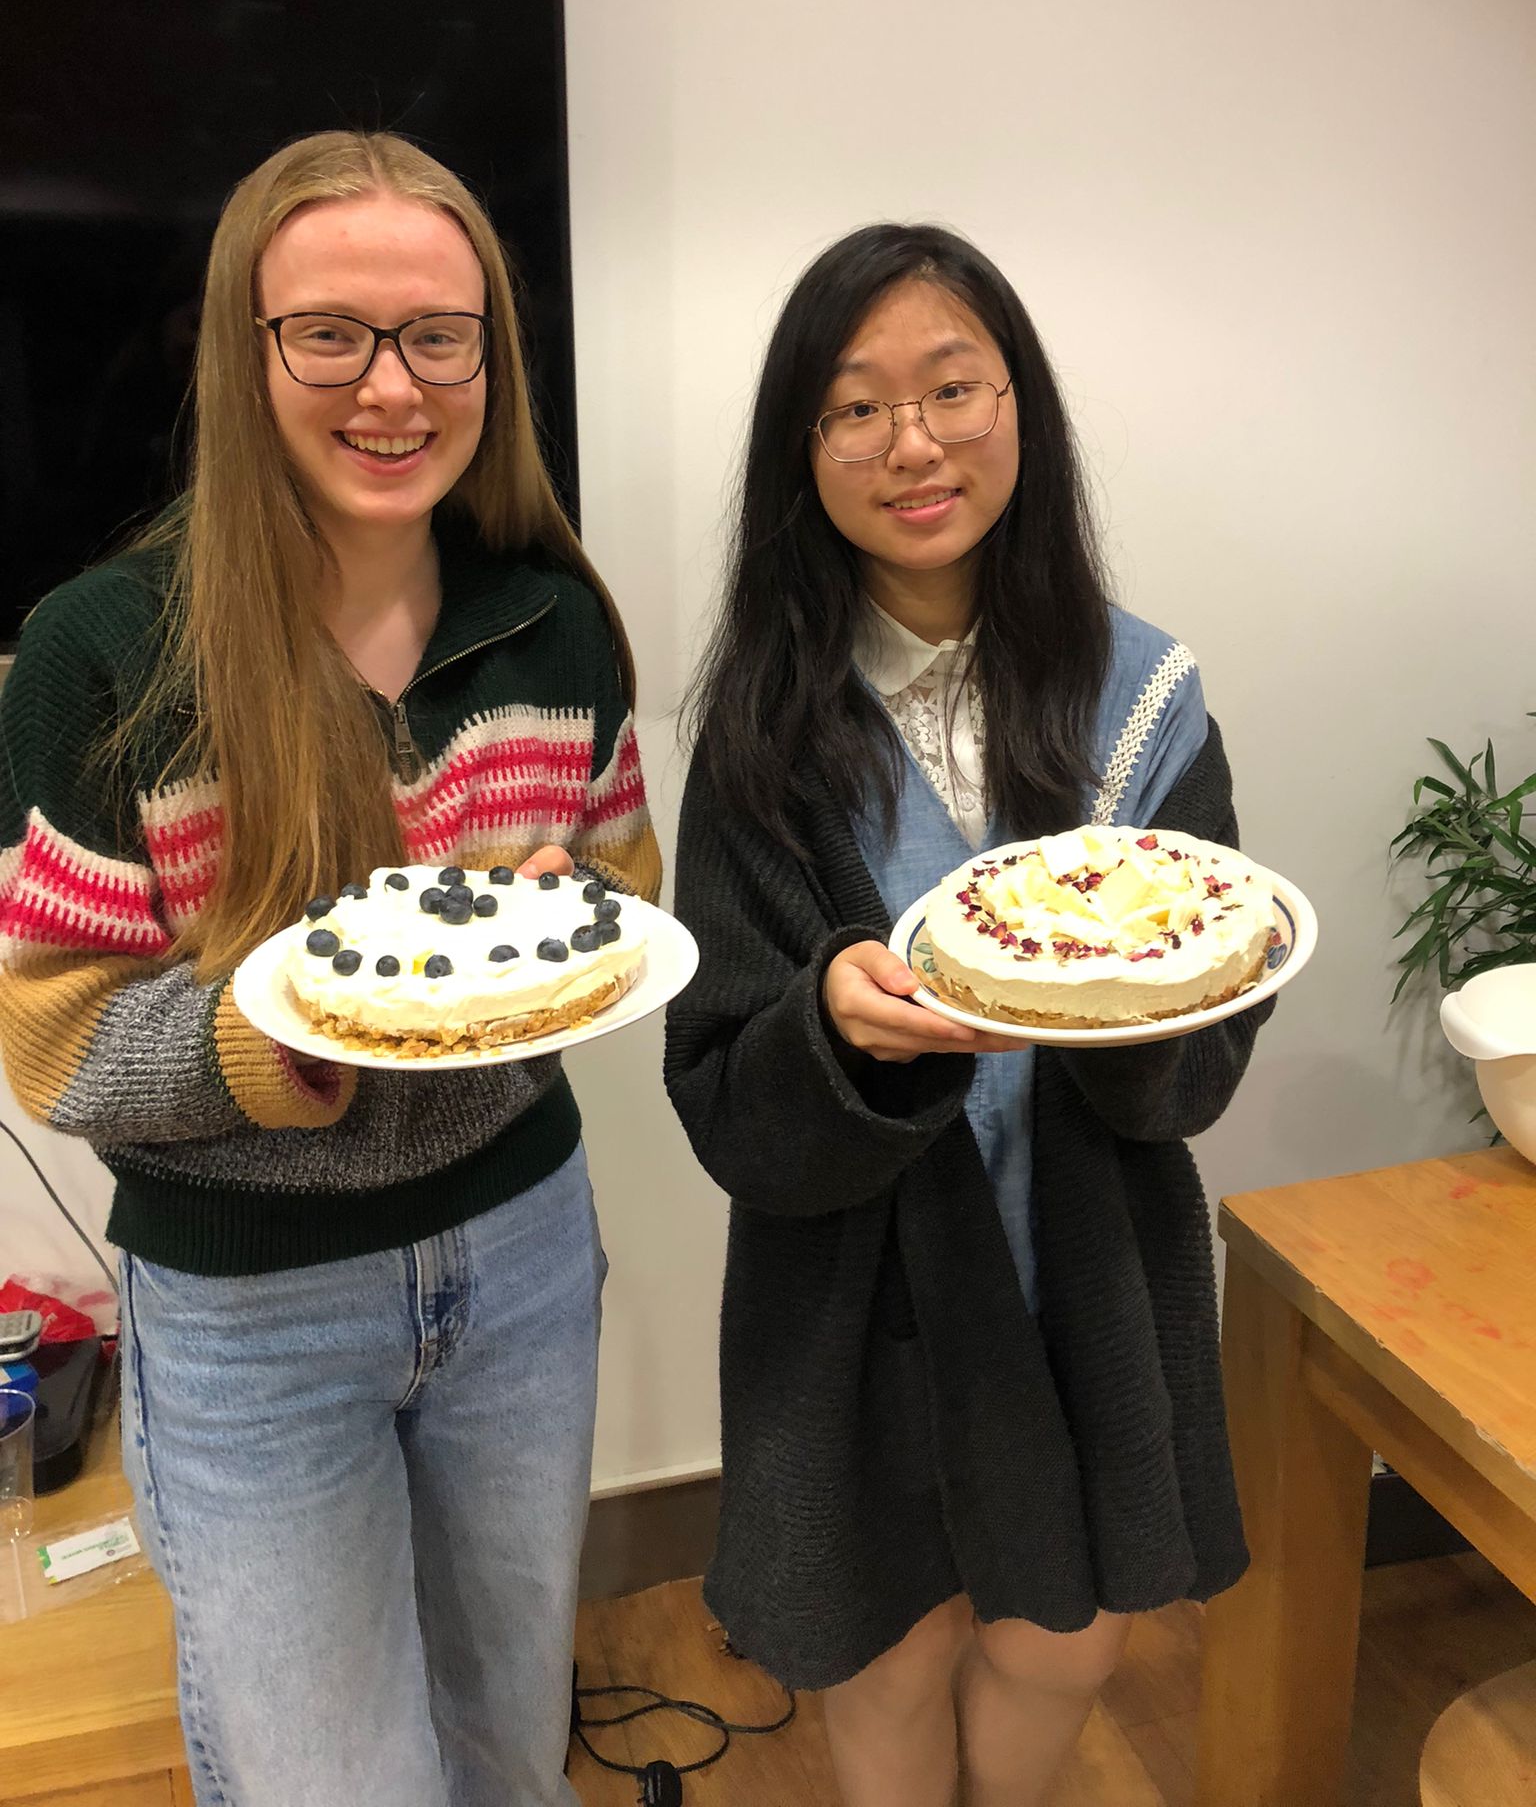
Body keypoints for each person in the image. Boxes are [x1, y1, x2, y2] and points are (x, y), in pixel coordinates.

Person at [0, 130, 659, 1807]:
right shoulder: (105, 654)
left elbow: (622, 887)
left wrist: (547, 910)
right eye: (332, 334)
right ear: (244, 347)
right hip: (249, 1309)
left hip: (521, 1257)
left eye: (440, 334)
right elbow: (61, 1045)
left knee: (515, 1749)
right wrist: (299, 1030)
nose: (393, 387)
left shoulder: (552, 619)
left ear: (490, 360)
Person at [664, 224, 1272, 1807]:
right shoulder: (760, 731)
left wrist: (1131, 997)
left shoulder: (1143, 701)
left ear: (1024, 408)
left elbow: (1205, 1038)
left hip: (1082, 1257)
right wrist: (835, 1032)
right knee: (889, 1646)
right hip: (857, 1284)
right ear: (802, 451)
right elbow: (722, 1088)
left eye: (953, 387)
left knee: (1065, 1638)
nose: (912, 443)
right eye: (854, 407)